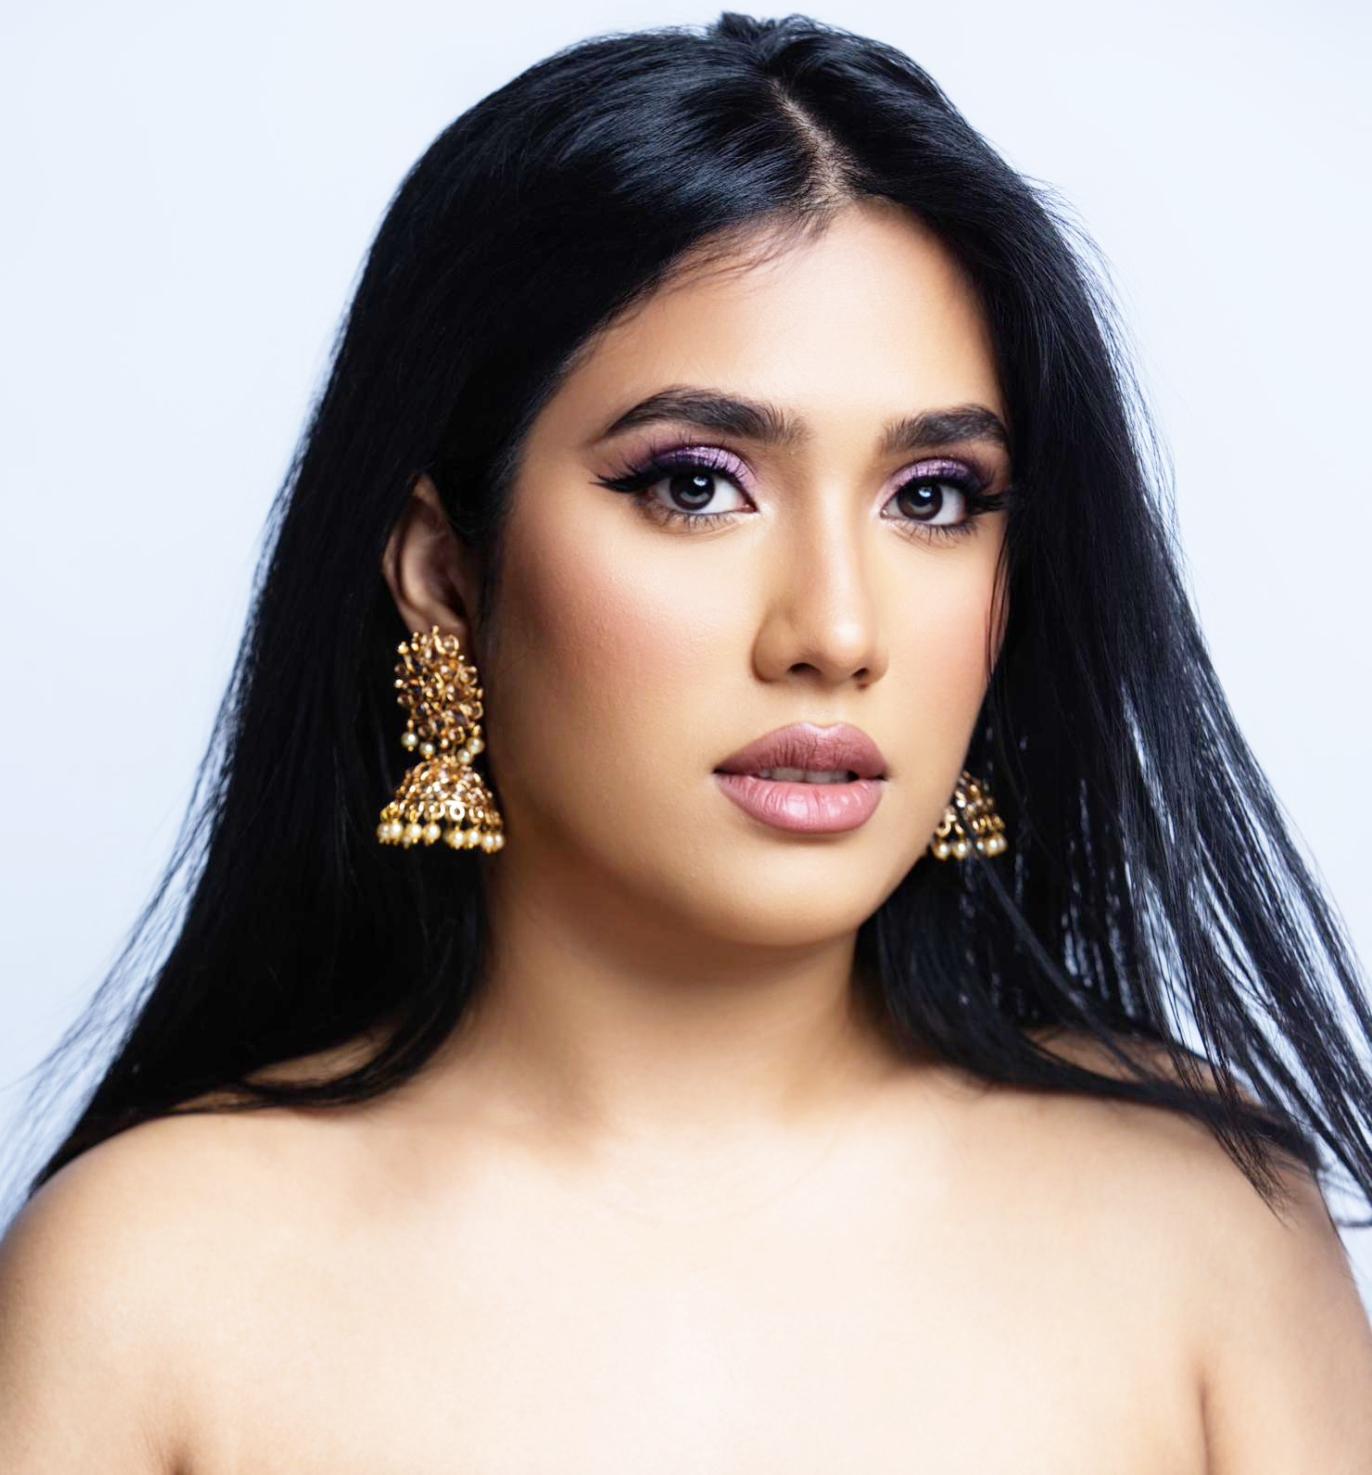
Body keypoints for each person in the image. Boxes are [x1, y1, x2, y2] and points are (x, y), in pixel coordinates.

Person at [2, 10, 1370, 1470]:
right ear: (445, 572)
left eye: (931, 497)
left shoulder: (1203, 1229)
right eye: (698, 485)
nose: (836, 630)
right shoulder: (150, 1290)